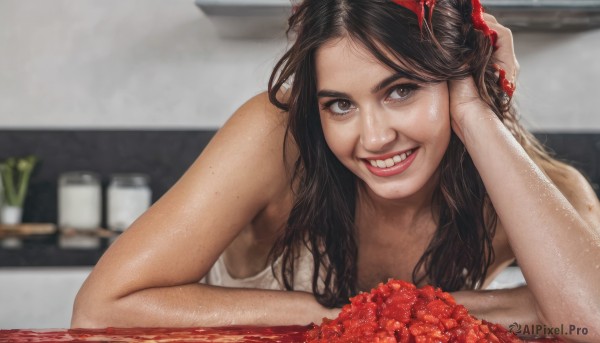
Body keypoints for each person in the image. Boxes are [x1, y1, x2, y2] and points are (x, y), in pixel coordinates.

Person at [71, 0, 600, 339]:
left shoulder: (543, 189)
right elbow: (102, 309)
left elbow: (591, 322)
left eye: (401, 90)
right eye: (339, 105)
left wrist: (477, 113)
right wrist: (354, 317)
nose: (372, 138)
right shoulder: (276, 134)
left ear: (460, 77)